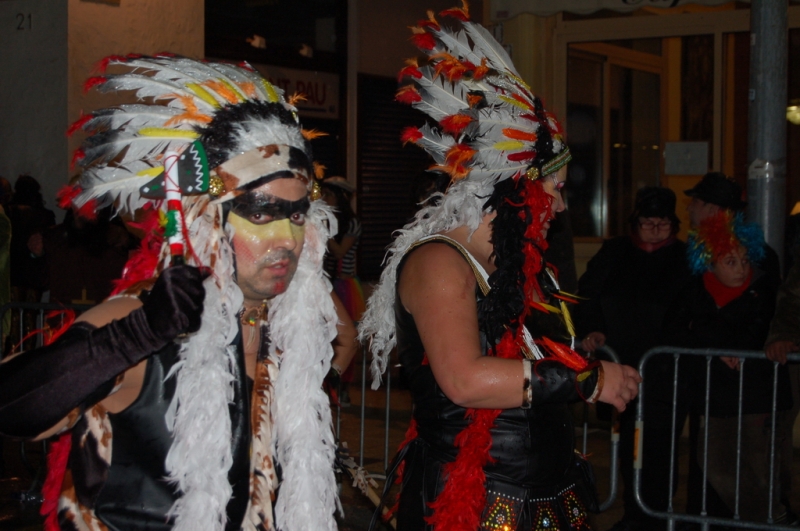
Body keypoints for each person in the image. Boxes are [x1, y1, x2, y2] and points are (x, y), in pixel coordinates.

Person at [0, 55, 342, 531]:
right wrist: (137, 335)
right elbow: (13, 407)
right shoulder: (141, 317)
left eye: (298, 216)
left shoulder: (294, 334)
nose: (286, 238)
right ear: (207, 220)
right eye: (262, 215)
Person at [358, 6, 641, 530]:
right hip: (475, 504)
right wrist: (587, 381)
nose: (559, 207)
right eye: (553, 190)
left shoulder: (521, 265)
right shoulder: (440, 262)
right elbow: (465, 380)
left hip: (539, 493)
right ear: (516, 188)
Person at [663, 210, 792, 524]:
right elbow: (676, 330)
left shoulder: (761, 291)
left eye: (745, 260)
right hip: (720, 398)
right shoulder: (697, 291)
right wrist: (714, 346)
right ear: (710, 262)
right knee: (715, 459)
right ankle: (769, 518)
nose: (741, 268)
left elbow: (754, 331)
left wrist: (709, 337)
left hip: (758, 396)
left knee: (759, 464)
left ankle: (771, 517)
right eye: (730, 261)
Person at [574, 186, 690, 531]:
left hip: (664, 371)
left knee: (660, 445)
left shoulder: (683, 259)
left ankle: (655, 513)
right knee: (626, 444)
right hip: (621, 363)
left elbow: (688, 311)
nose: (654, 229)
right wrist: (593, 330)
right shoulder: (615, 252)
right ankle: (633, 512)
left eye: (662, 223)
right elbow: (588, 294)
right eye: (647, 222)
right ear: (635, 223)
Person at [685, 171, 780, 280]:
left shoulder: (706, 254)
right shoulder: (758, 251)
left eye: (695, 202)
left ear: (714, 210)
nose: (689, 208)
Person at [320, 176, 363, 406]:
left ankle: (342, 388)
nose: (323, 199)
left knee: (345, 338)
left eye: (328, 194)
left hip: (343, 285)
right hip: (326, 283)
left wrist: (321, 231)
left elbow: (339, 252)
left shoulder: (352, 223)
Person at [7, 174, 55, 301]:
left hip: (11, 273)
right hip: (34, 275)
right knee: (30, 315)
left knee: (11, 315)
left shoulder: (8, 213)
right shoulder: (45, 215)